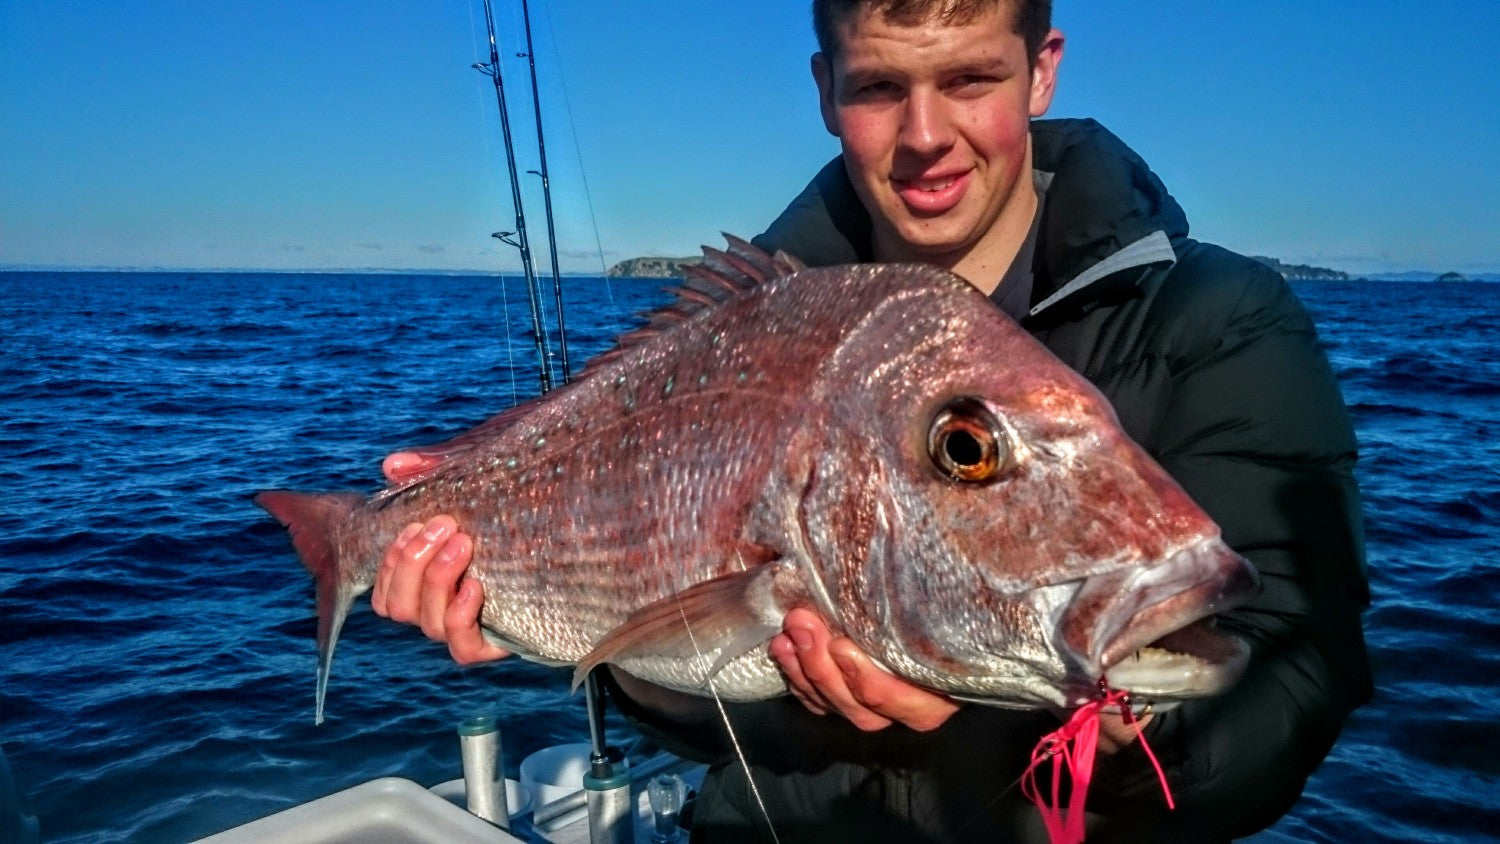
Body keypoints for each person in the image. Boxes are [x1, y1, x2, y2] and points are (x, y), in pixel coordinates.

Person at [372, 1, 1372, 840]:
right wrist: (545, 618)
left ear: (1042, 70)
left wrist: (1124, 724)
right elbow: (689, 694)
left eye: (971, 77)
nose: (926, 133)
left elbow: (1294, 686)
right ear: (825, 89)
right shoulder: (750, 320)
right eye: (880, 87)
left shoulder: (1222, 321)